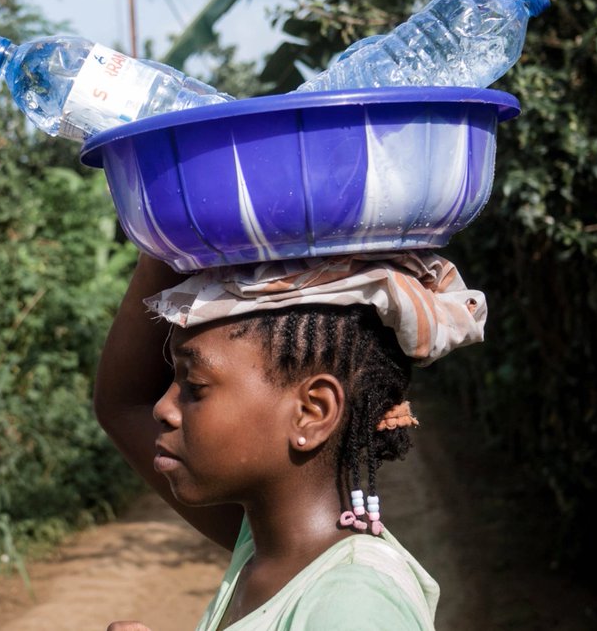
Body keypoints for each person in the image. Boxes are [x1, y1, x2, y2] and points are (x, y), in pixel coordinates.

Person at [97, 252, 488, 630]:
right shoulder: (266, 548)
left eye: (194, 386)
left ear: (311, 412)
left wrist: (168, 239)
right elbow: (124, 404)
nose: (164, 408)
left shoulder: (353, 605)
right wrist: (166, 248)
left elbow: (124, 406)